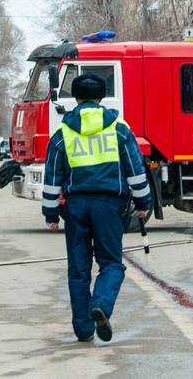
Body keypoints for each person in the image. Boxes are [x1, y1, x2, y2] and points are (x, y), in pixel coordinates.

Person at [42, 73, 151, 343]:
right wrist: (143, 202)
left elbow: (52, 176)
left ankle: (83, 330)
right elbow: (135, 170)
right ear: (101, 98)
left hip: (76, 206)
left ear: (76, 98)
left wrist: (51, 213)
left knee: (78, 270)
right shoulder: (119, 128)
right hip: (109, 205)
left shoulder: (62, 132)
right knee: (112, 264)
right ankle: (101, 304)